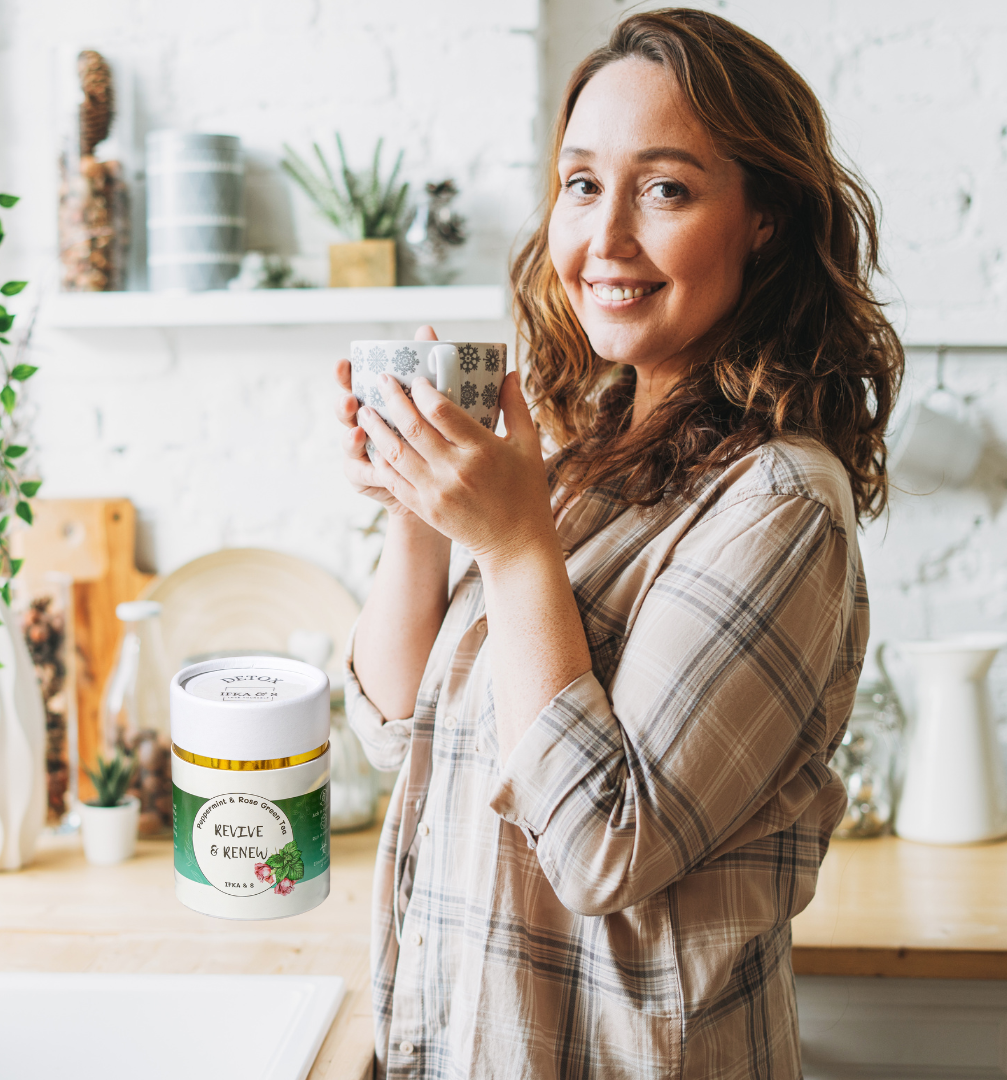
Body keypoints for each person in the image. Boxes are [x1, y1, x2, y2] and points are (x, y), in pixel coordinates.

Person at [334, 8, 903, 1078]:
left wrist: (510, 546)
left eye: (667, 189)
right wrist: (417, 506)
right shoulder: (581, 464)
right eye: (583, 184)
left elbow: (605, 846)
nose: (606, 239)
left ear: (765, 219)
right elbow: (401, 741)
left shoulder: (781, 502)